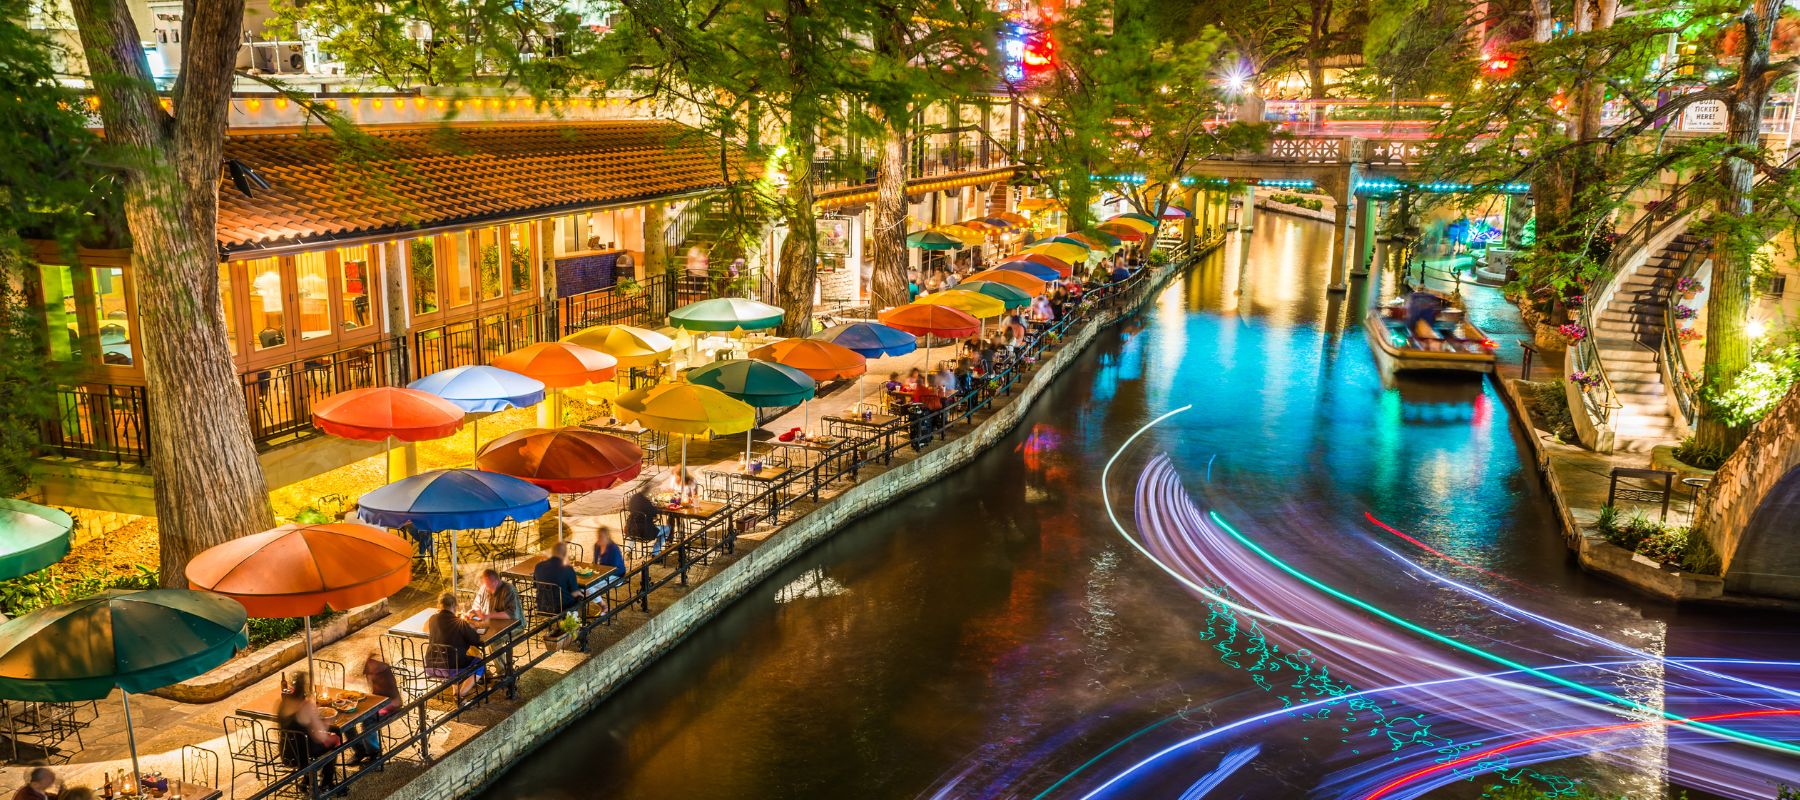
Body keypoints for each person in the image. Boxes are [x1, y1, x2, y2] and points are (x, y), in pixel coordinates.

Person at [277, 672, 340, 791]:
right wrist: (327, 722)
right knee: (335, 738)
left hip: (286, 753)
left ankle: (307, 779)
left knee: (307, 740)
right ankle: (327, 782)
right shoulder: (306, 706)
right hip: (304, 755)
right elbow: (319, 737)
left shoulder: (283, 703)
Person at [424, 592, 483, 703]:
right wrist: (470, 626)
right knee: (480, 663)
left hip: (432, 666)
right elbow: (475, 639)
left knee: (451, 657)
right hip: (452, 668)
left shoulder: (433, 619)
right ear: (455, 606)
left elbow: (424, 628)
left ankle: (456, 690)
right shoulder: (459, 622)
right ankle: (460, 694)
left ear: (439, 605)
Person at [533, 541, 586, 618]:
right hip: (562, 608)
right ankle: (571, 623)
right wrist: (581, 594)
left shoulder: (538, 566)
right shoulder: (567, 569)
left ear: (552, 552)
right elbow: (574, 592)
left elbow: (535, 586)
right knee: (581, 596)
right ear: (565, 554)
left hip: (542, 605)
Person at [626, 488, 672, 557]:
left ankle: (628, 549)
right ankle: (655, 553)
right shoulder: (645, 502)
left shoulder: (633, 499)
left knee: (635, 528)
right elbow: (653, 512)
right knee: (668, 528)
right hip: (645, 532)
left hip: (631, 529)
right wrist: (658, 509)